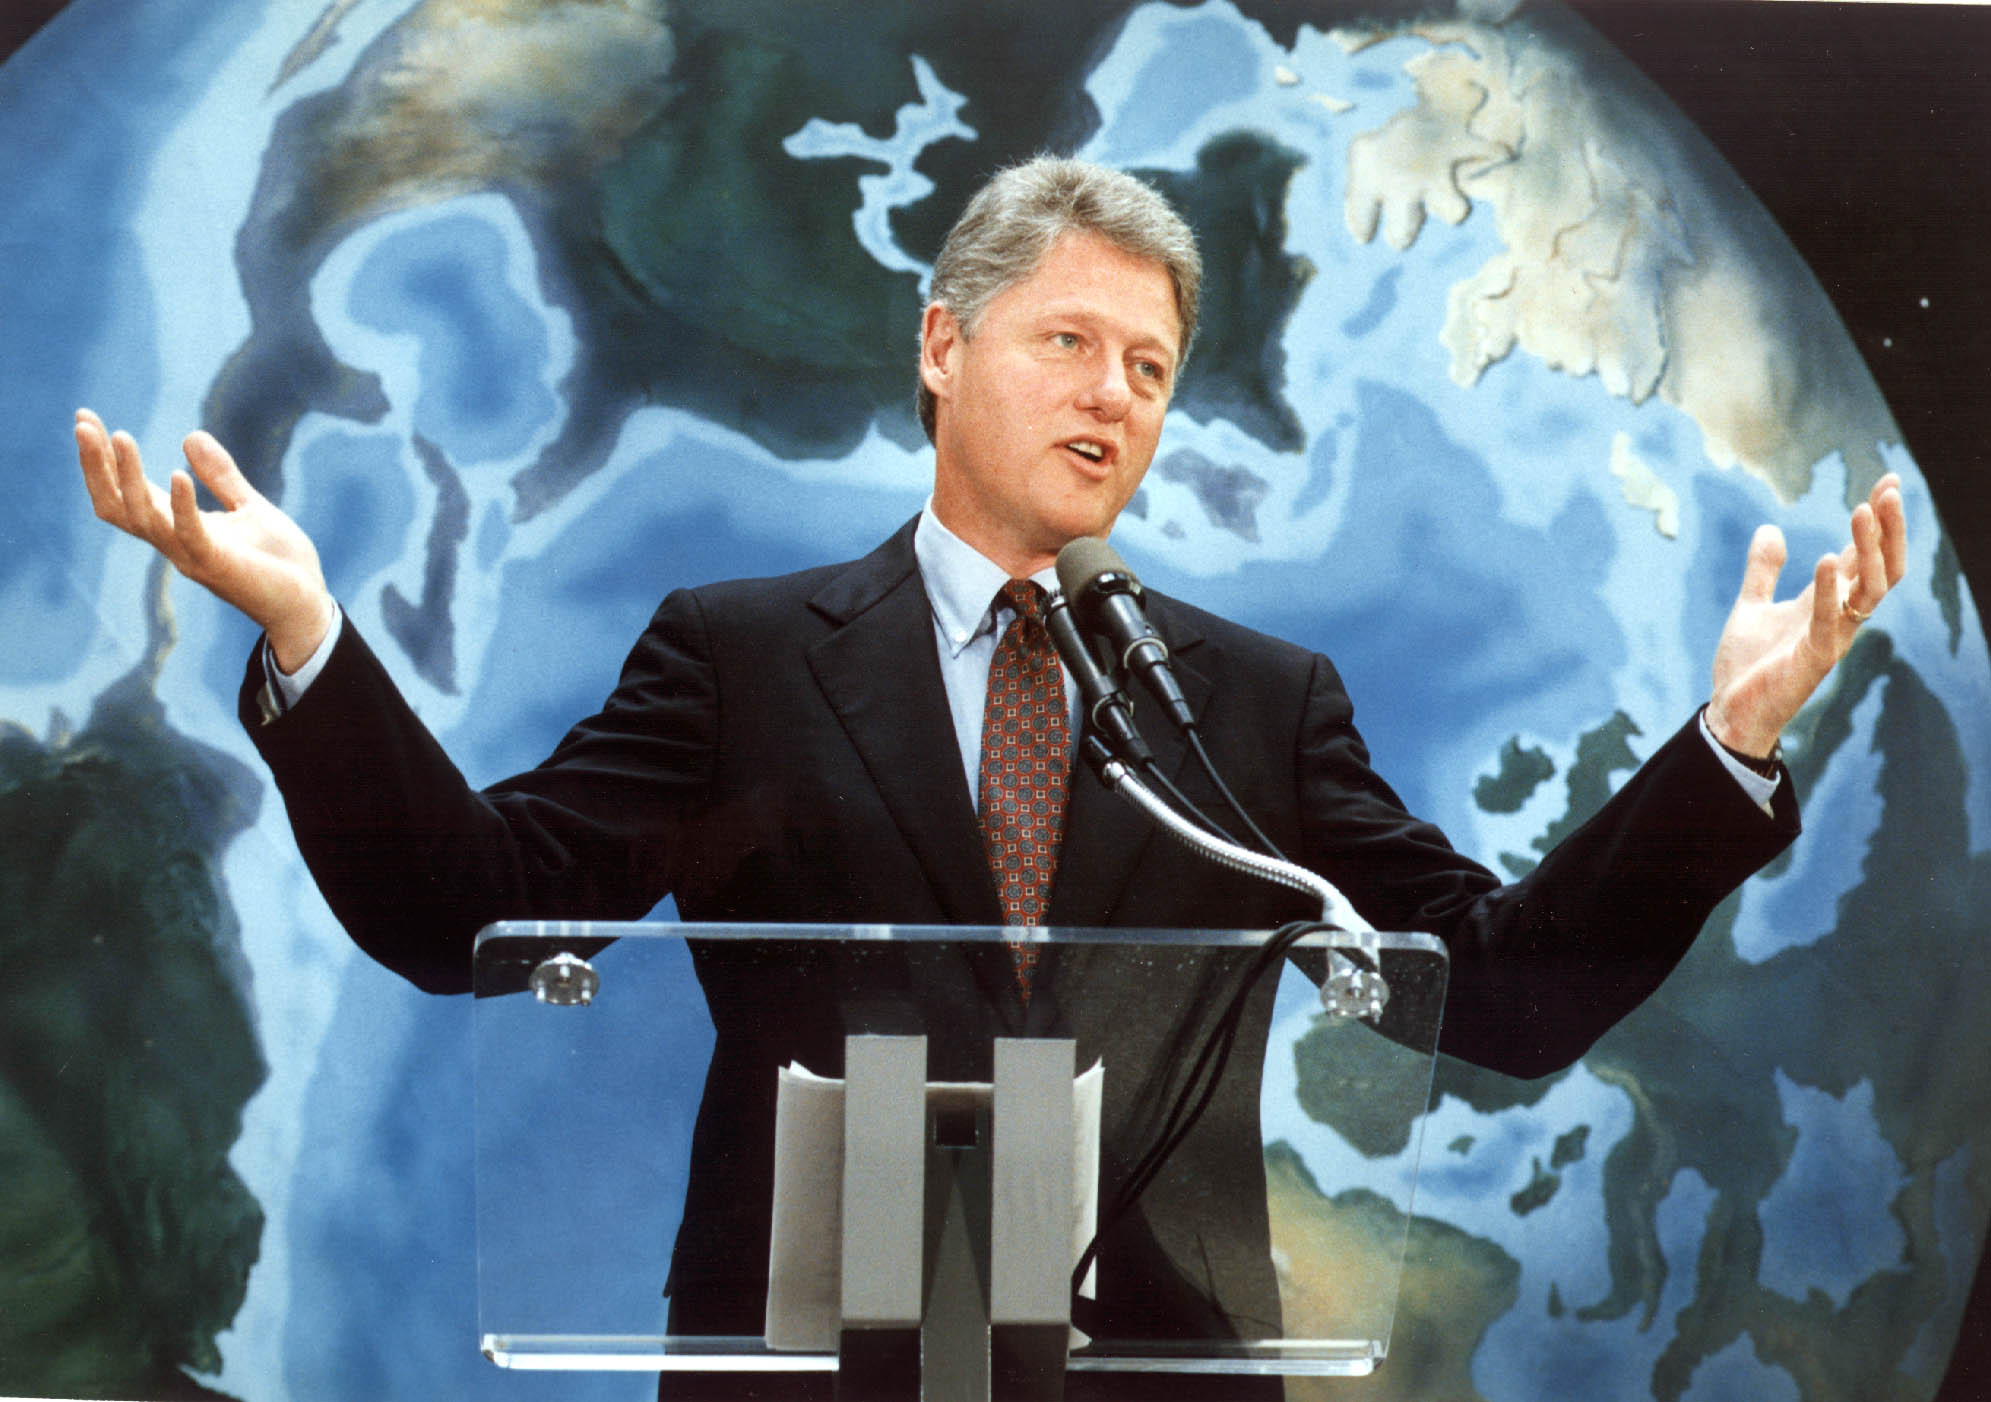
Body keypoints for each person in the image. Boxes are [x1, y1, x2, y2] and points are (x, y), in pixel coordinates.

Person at [76, 157, 1905, 1389]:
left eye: (1152, 367)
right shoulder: (739, 656)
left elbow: (1495, 999)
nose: (1115, 394)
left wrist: (1725, 745)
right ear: (944, 350)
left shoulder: (1251, 709)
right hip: (812, 1364)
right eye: (1069, 342)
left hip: (1155, 1371)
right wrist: (314, 641)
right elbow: (463, 904)